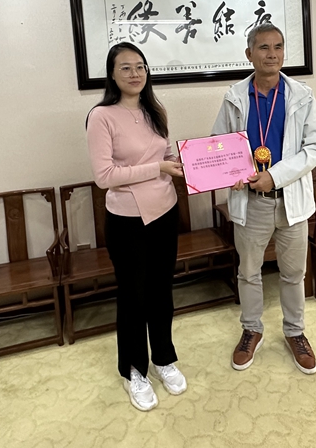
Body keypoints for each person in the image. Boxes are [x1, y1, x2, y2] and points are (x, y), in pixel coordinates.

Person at [212, 23, 316, 374]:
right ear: (249, 54)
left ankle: (295, 332)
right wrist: (229, 173)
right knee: (249, 272)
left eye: (278, 47)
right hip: (252, 202)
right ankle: (252, 330)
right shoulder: (234, 97)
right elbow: (219, 143)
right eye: (263, 47)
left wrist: (275, 176)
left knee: (293, 273)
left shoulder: (302, 96)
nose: (272, 54)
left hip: (290, 199)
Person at [86, 42, 186, 411]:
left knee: (161, 292)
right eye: (125, 67)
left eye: (140, 66)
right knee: (133, 297)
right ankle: (134, 370)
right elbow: (104, 176)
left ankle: (163, 358)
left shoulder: (154, 110)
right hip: (127, 220)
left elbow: (166, 155)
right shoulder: (101, 116)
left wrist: (188, 162)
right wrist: (158, 168)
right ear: (112, 75)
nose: (135, 73)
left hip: (165, 211)